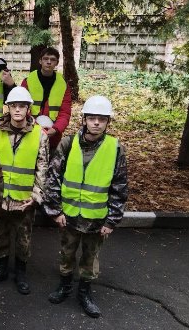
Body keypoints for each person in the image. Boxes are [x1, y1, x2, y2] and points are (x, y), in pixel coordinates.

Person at [43, 96, 128, 318]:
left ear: (108, 122)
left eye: (102, 119)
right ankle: (64, 287)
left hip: (96, 218)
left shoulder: (115, 148)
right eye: (92, 118)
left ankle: (84, 293)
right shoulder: (68, 143)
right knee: (66, 253)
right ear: (84, 119)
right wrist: (55, 211)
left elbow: (119, 186)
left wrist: (112, 220)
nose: (96, 123)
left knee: (90, 258)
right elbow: (53, 178)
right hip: (69, 215)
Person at [0, 87, 49, 295]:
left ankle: (21, 273)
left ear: (28, 109)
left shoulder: (40, 135)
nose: (18, 110)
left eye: (22, 106)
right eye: (14, 106)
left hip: (24, 200)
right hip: (0, 198)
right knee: (0, 235)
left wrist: (36, 196)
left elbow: (42, 168)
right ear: (8, 108)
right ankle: (1, 269)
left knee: (24, 239)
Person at [21, 47, 71, 150]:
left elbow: (65, 112)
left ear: (57, 63)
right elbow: (21, 107)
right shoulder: (28, 81)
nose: (49, 62)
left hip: (53, 135)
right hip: (29, 131)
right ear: (40, 61)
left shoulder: (63, 85)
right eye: (45, 59)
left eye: (52, 59)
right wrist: (34, 126)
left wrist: (56, 129)